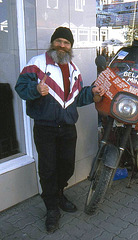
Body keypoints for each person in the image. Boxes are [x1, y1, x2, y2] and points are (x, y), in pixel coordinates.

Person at [15, 26, 105, 233]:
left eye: (66, 43)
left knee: (66, 166)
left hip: (67, 126)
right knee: (48, 169)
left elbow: (76, 98)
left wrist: (92, 93)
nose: (62, 46)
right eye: (59, 41)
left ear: (71, 47)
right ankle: (52, 209)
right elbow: (20, 88)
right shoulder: (36, 64)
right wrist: (35, 89)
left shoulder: (74, 69)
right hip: (45, 126)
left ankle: (58, 193)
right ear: (52, 43)